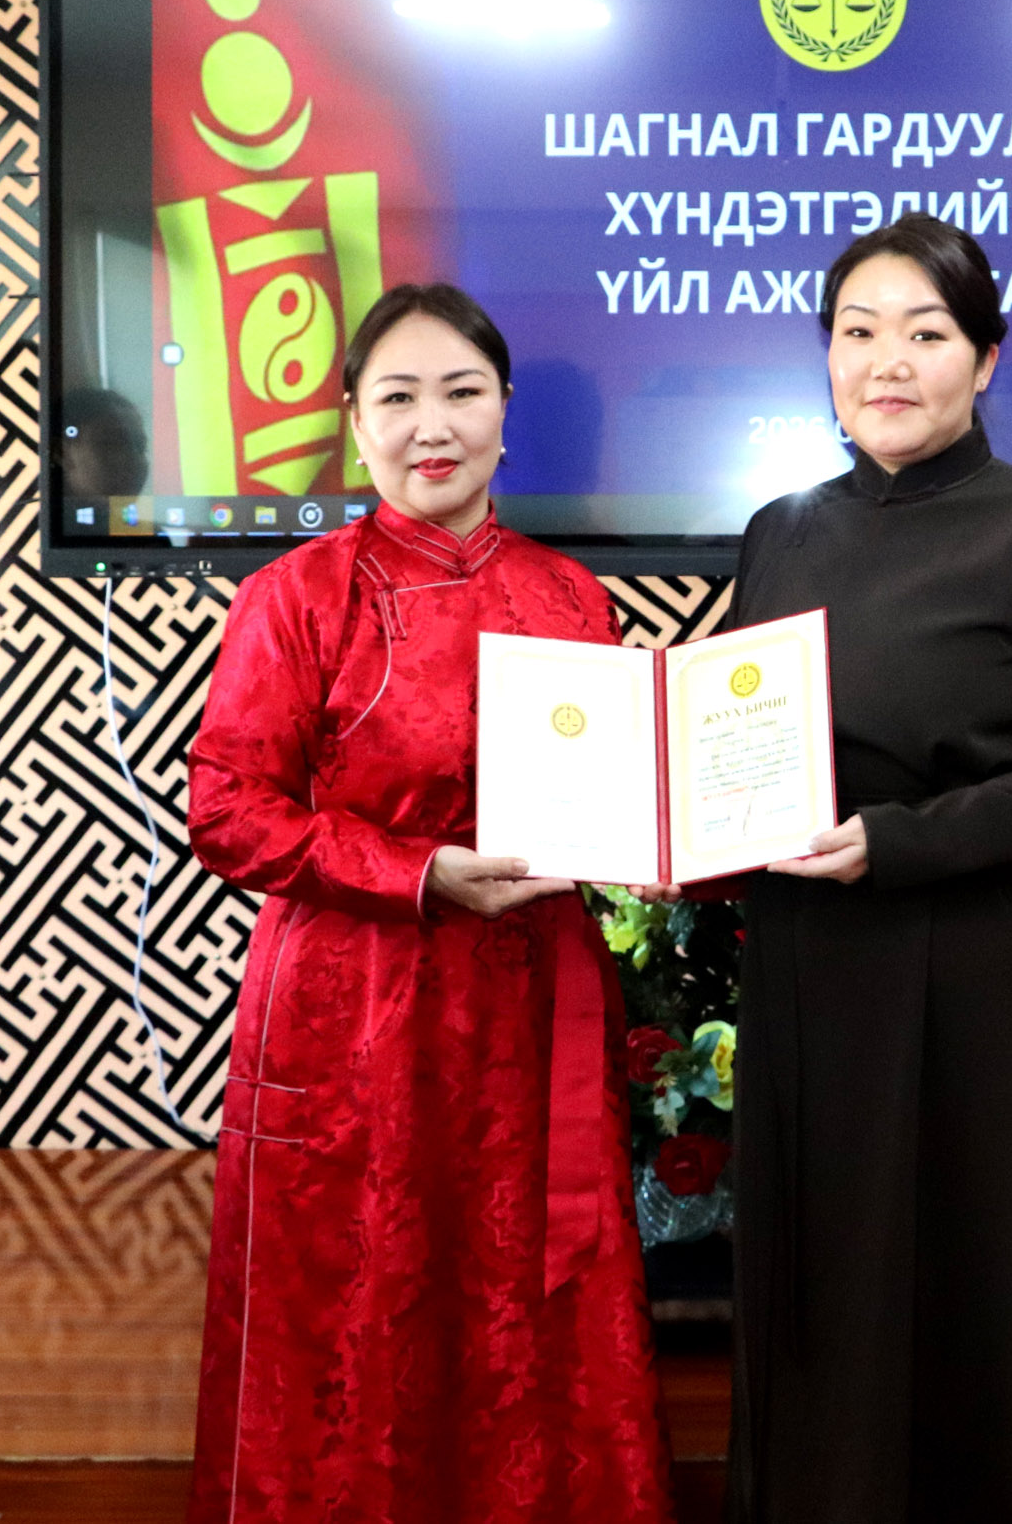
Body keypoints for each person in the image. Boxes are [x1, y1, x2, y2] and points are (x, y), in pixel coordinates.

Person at [185, 284, 674, 1524]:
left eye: (462, 392)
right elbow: (227, 809)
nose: (432, 425)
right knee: (366, 1306)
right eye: (397, 398)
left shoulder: (572, 598)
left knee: (522, 1300)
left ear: (506, 413)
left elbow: (601, 796)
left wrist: (658, 834)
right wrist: (415, 873)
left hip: (530, 1013)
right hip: (355, 1017)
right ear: (355, 423)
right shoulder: (298, 596)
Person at [724, 216, 1012, 1522]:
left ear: (986, 358)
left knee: (997, 1279)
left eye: (925, 332)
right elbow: (738, 740)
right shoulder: (779, 530)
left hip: (986, 968)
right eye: (858, 332)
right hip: (812, 964)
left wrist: (901, 840)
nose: (888, 362)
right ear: (827, 357)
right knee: (825, 1275)